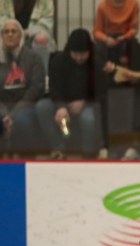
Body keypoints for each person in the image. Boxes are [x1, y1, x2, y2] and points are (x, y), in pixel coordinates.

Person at [0, 18, 45, 156]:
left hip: (24, 107)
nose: (10, 35)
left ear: (20, 35)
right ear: (1, 36)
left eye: (14, 31)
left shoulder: (33, 57)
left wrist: (12, 115)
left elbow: (36, 88)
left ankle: (26, 162)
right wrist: (3, 113)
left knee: (22, 120)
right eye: (6, 32)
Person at [35, 28, 104, 158]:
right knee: (42, 107)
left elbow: (100, 90)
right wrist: (60, 106)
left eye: (83, 54)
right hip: (62, 100)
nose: (79, 58)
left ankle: (88, 155)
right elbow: (54, 87)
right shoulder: (58, 60)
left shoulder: (97, 63)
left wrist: (84, 101)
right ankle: (58, 147)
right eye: (75, 53)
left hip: (87, 103)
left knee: (88, 120)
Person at [0, 0, 54, 66]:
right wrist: (13, 31)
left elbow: (45, 24)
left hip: (33, 36)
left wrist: (26, 32)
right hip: (12, 32)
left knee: (41, 38)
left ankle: (42, 74)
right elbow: (3, 19)